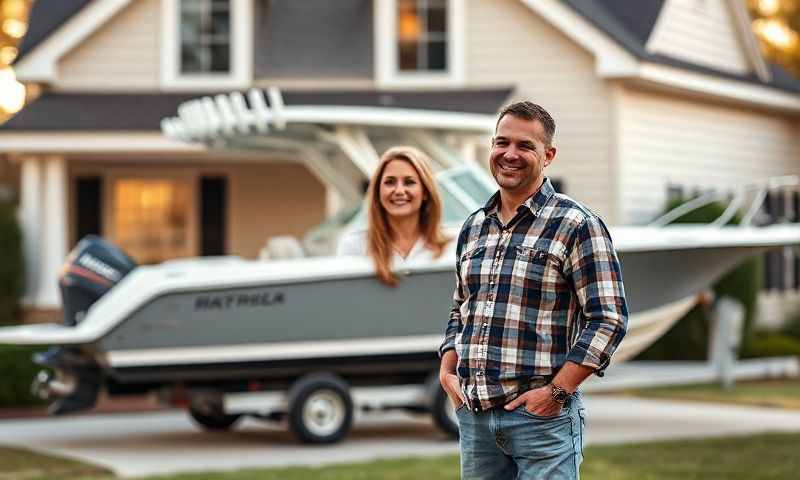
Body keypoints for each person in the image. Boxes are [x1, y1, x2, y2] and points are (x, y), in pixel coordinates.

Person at [438, 101, 628, 479]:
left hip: (541, 422)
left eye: (525, 146)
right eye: (501, 143)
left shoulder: (577, 225)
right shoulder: (474, 227)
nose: (510, 154)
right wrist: (447, 367)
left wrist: (557, 393)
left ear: (548, 155)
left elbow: (609, 319)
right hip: (476, 421)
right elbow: (461, 306)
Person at [337, 146, 450, 286]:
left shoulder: (452, 246)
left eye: (409, 182)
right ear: (378, 191)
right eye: (390, 182)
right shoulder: (354, 246)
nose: (399, 190)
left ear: (425, 192)